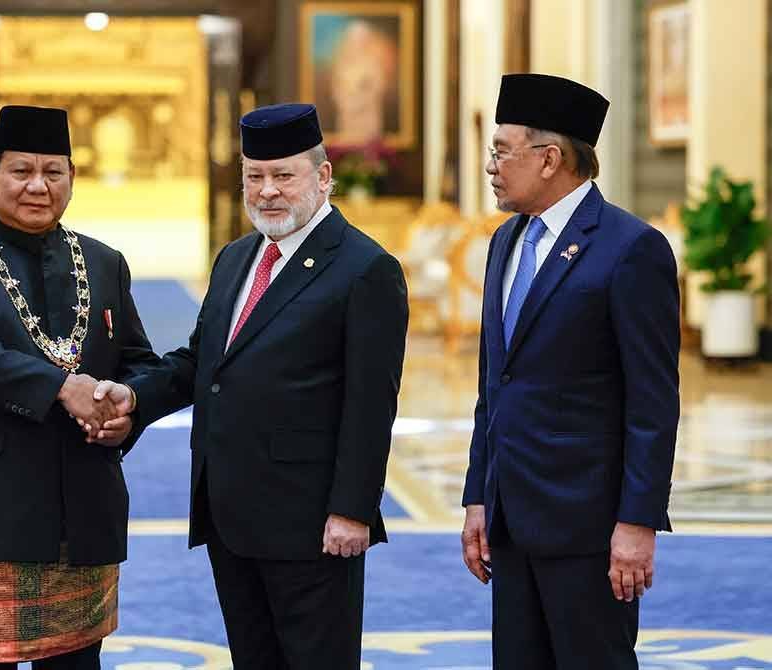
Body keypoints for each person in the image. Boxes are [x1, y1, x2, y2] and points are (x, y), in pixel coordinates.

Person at [88, 103, 409, 669]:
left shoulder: (364, 268)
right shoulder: (237, 257)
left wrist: (353, 510)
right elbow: (202, 363)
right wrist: (135, 397)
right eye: (254, 176)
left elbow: (371, 404)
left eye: (284, 175)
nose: (267, 191)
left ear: (323, 176)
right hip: (230, 515)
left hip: (311, 522)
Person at [0, 105, 157, 669]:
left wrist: (128, 409)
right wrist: (62, 388)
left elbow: (138, 361)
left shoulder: (105, 262)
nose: (38, 186)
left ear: (72, 177)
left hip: (80, 503)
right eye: (21, 171)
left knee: (75, 662)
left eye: (53, 172)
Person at [460, 74, 680, 669]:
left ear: (550, 158)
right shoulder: (505, 242)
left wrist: (637, 523)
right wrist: (478, 497)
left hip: (589, 529)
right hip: (510, 521)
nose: (491, 167)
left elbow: (653, 403)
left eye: (502, 151)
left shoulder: (630, 249)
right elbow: (493, 386)